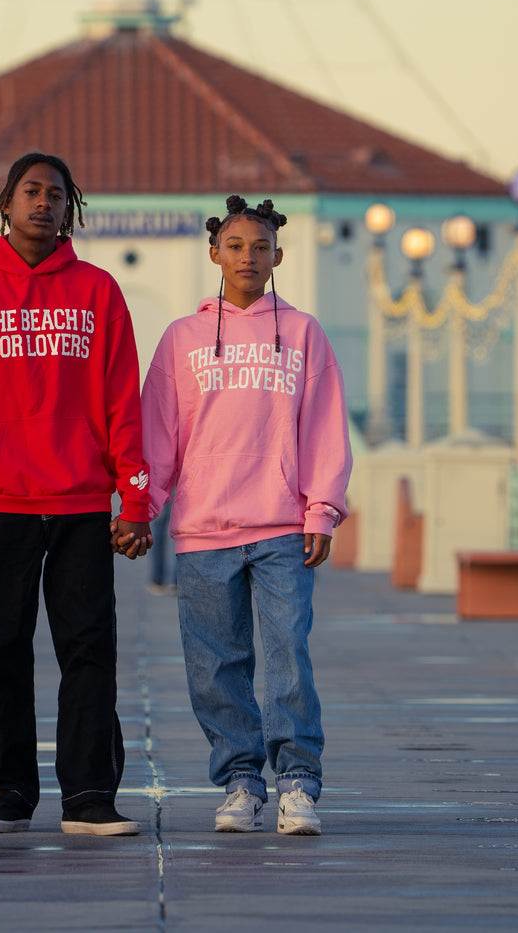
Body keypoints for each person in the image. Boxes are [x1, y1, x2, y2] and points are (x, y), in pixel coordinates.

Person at [0, 152, 152, 837]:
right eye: (31, 191)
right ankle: (10, 789)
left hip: (80, 503)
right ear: (5, 204)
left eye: (56, 195)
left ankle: (87, 795)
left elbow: (121, 405)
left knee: (88, 649)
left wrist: (133, 499)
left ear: (69, 210)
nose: (44, 203)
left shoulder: (98, 292)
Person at [141, 195, 352, 836]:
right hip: (203, 528)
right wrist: (141, 506)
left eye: (260, 247)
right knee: (216, 664)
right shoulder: (182, 337)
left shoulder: (306, 333)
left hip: (282, 526)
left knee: (287, 654)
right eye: (235, 246)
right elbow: (159, 432)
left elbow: (323, 427)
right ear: (214, 254)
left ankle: (296, 785)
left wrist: (322, 508)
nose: (247, 257)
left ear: (278, 257)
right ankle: (239, 781)